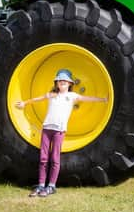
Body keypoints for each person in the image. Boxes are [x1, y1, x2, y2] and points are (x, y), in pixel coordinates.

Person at [15, 69, 108, 197]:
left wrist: (103, 99)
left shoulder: (72, 96)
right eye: (60, 81)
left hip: (59, 130)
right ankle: (41, 185)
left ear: (69, 83)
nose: (62, 83)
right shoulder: (52, 95)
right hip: (47, 128)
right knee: (43, 158)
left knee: (55, 158)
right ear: (57, 83)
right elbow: (38, 99)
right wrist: (25, 103)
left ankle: (51, 186)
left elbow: (87, 98)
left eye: (65, 81)